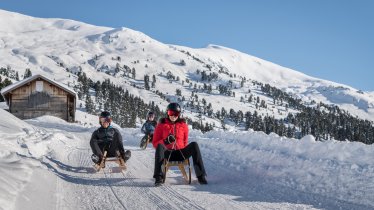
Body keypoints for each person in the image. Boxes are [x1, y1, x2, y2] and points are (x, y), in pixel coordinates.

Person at [152, 103, 208, 186]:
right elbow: (155, 143)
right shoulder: (161, 125)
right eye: (171, 113)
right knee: (160, 146)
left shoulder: (183, 125)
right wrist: (166, 141)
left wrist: (182, 149)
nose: (173, 116)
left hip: (180, 153)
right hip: (167, 153)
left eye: (176, 113)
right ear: (167, 113)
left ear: (179, 114)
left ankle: (201, 176)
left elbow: (185, 142)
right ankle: (158, 177)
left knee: (194, 145)